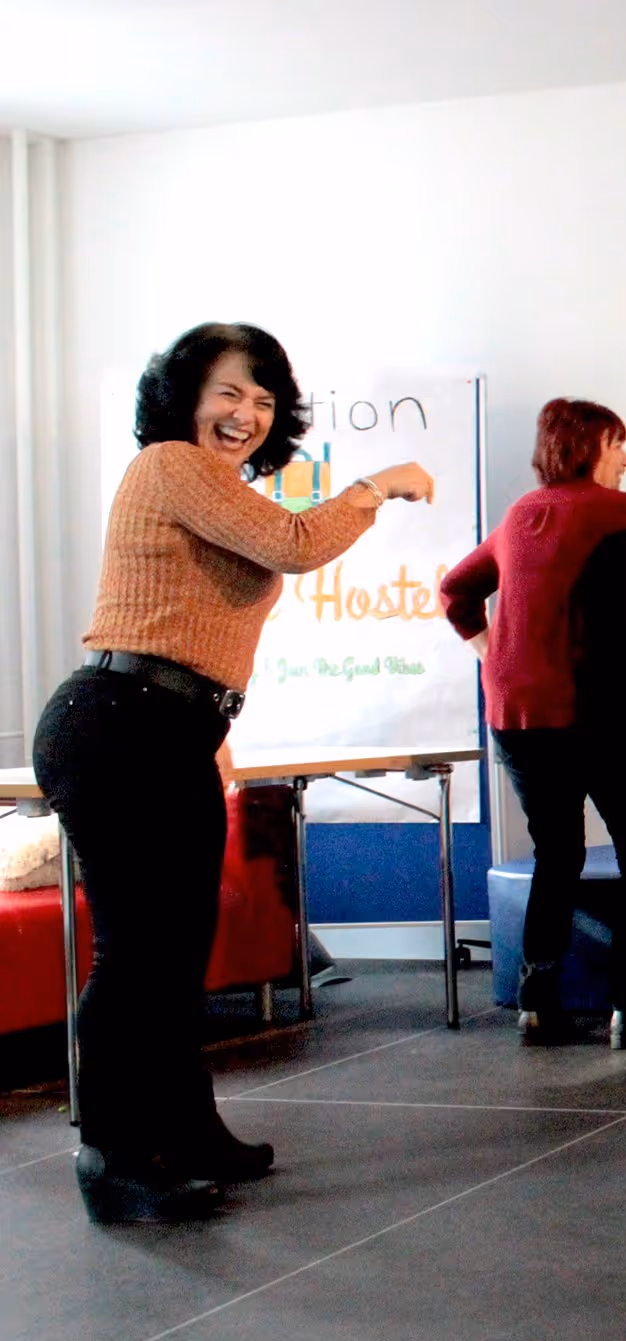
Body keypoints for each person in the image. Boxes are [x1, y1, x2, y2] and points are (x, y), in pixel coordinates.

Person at [32, 323, 433, 1223]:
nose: (245, 414)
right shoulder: (169, 464)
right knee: (134, 954)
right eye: (228, 392)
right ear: (184, 398)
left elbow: (193, 626)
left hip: (167, 723)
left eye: (261, 399)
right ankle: (112, 1156)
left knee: (177, 952)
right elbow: (295, 542)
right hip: (116, 722)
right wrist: (377, 486)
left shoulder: (213, 487)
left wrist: (212, 731)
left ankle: (189, 1129)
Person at [440, 399, 626, 1050]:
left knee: (558, 853)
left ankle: (537, 1000)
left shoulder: (518, 515)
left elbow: (455, 590)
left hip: (516, 717)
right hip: (597, 708)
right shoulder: (620, 512)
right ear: (593, 444)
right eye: (618, 443)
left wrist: (493, 653)